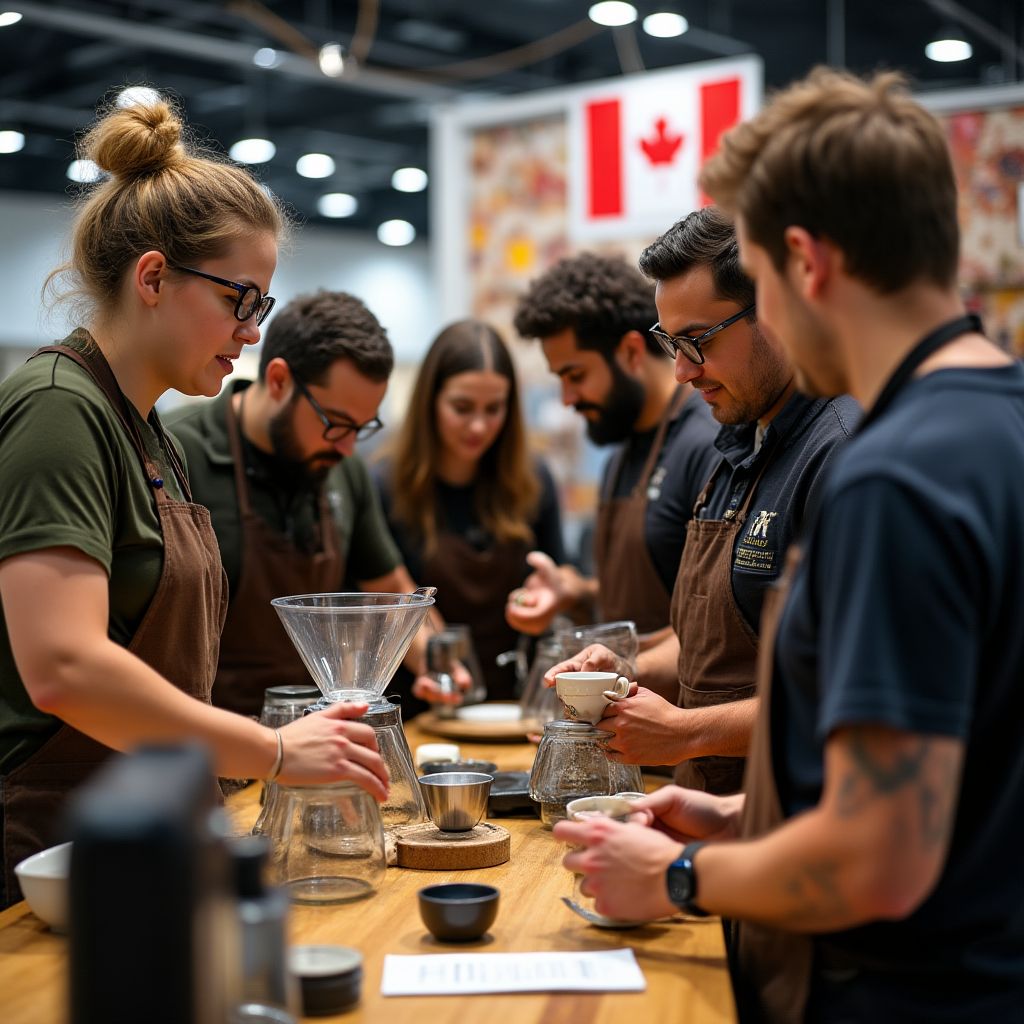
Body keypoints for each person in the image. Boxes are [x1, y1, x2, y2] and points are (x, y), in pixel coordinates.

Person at [556, 68, 1024, 1023]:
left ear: (804, 262)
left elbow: (878, 864)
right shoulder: (996, 426)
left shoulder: (893, 476)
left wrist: (683, 874)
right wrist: (735, 819)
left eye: (759, 282)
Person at [0, 98, 387, 909]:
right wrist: (272, 751)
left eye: (262, 307)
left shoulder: (149, 433)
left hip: (154, 837)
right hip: (55, 855)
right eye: (240, 300)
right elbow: (65, 669)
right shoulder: (57, 408)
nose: (252, 331)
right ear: (152, 278)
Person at [548, 209, 858, 795]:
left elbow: (845, 693)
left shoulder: (841, 454)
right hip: (704, 811)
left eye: (696, 342)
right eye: (671, 342)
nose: (682, 372)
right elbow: (704, 645)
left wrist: (687, 733)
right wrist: (627, 667)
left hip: (788, 828)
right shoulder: (739, 439)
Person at [166, 289, 434, 717]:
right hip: (201, 749)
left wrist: (435, 665)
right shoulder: (175, 453)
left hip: (316, 741)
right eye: (336, 424)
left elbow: (394, 594)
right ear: (277, 381)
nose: (347, 448)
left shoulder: (342, 469)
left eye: (362, 428)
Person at [506, 252, 719, 640]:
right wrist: (577, 591)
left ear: (632, 352)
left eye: (576, 375)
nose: (567, 398)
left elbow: (715, 620)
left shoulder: (706, 444)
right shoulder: (620, 454)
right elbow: (631, 603)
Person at [374, 320, 565, 702]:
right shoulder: (384, 485)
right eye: (462, 408)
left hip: (513, 707)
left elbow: (561, 573)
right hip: (419, 708)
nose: (479, 425)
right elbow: (384, 604)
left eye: (494, 408)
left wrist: (553, 592)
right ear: (430, 400)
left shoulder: (533, 479)